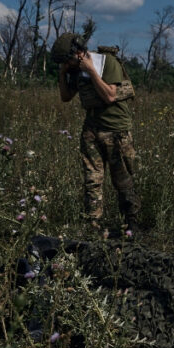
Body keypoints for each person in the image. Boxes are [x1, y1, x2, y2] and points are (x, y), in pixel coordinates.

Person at [51, 33, 140, 238]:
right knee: (92, 180)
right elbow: (65, 97)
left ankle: (131, 225)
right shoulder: (73, 70)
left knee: (123, 180)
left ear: (80, 52)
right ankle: (93, 226)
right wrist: (62, 73)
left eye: (69, 60)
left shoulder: (106, 62)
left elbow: (110, 95)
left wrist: (91, 71)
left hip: (116, 130)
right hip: (92, 130)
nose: (68, 64)